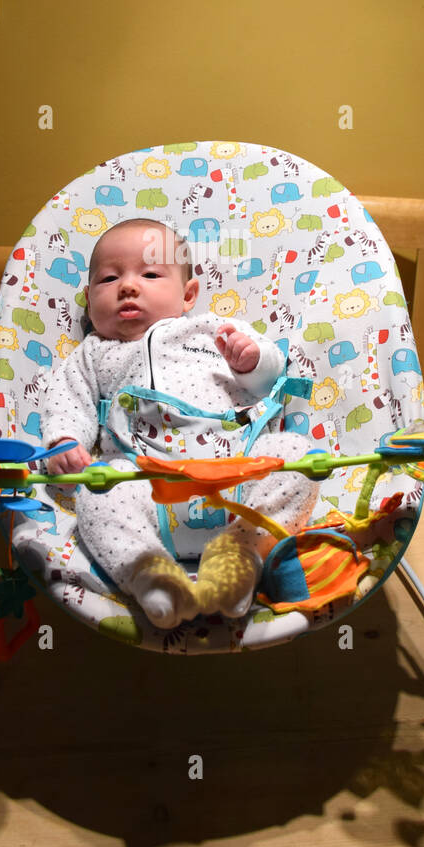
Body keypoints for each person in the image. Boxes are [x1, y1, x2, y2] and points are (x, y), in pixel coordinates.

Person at [40, 219, 318, 629]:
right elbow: (67, 401)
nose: (128, 286)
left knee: (298, 457)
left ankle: (243, 557)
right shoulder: (94, 354)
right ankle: (150, 575)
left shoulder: (212, 331)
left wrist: (253, 361)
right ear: (88, 297)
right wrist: (63, 443)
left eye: (150, 274)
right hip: (146, 487)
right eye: (109, 278)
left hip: (236, 481)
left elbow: (272, 378)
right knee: (97, 492)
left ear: (188, 295)